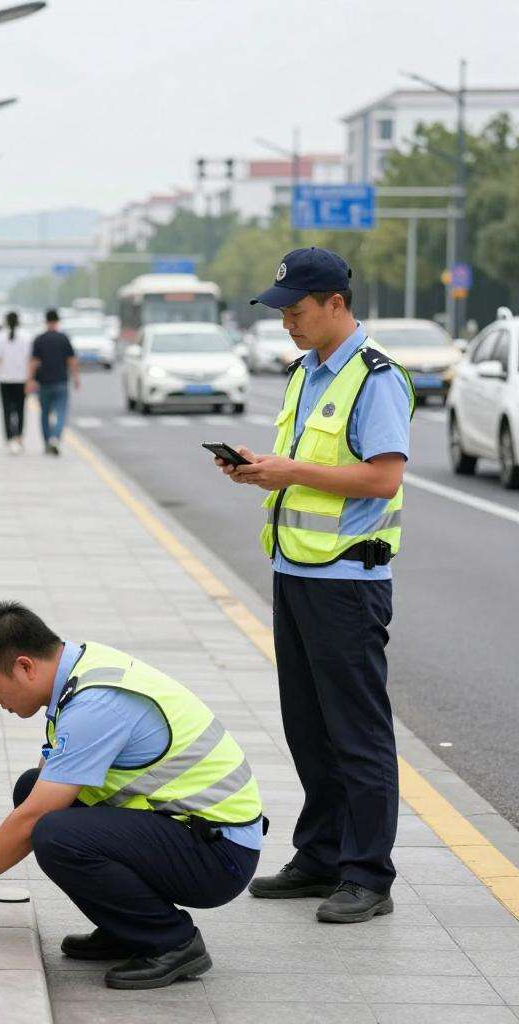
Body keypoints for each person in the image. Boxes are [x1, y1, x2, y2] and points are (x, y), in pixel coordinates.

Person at [214, 247, 413, 924]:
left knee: (357, 733)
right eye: (281, 314)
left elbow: (383, 477)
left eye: (297, 312)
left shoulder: (373, 377)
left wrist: (287, 472)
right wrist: (262, 470)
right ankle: (321, 854)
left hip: (349, 582)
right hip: (296, 571)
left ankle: (368, 874)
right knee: (308, 728)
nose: (288, 325)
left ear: (336, 302)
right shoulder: (307, 373)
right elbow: (303, 465)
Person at [0, 602, 264, 990]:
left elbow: (34, 818)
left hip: (219, 855)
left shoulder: (95, 703)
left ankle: (172, 942)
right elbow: (42, 790)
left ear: (24, 666)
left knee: (54, 833)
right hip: (192, 831)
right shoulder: (78, 670)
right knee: (32, 789)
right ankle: (128, 928)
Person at [28, 309, 79, 455]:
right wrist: (76, 378)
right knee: (61, 412)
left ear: (46, 321)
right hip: (61, 381)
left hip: (44, 383)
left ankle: (46, 442)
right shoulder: (64, 338)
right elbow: (72, 360)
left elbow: (34, 362)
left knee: (44, 413)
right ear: (57, 321)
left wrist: (30, 380)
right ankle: (55, 437)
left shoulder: (40, 339)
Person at [0, 311, 33, 453]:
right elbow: (30, 360)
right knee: (20, 409)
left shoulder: (0, 336)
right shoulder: (27, 337)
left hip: (4, 379)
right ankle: (19, 437)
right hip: (21, 379)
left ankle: (9, 438)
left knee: (6, 410)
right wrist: (30, 379)